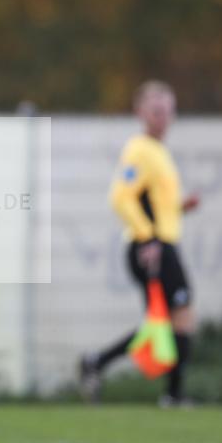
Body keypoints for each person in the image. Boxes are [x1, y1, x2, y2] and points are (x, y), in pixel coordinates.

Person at [79, 80, 200, 406]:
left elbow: (153, 203)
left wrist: (179, 207)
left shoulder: (158, 151)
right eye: (156, 110)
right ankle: (174, 395)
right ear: (141, 112)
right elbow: (121, 198)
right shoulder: (139, 149)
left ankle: (97, 363)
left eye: (167, 110)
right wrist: (148, 238)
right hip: (152, 247)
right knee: (180, 316)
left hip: (160, 244)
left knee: (163, 322)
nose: (162, 117)